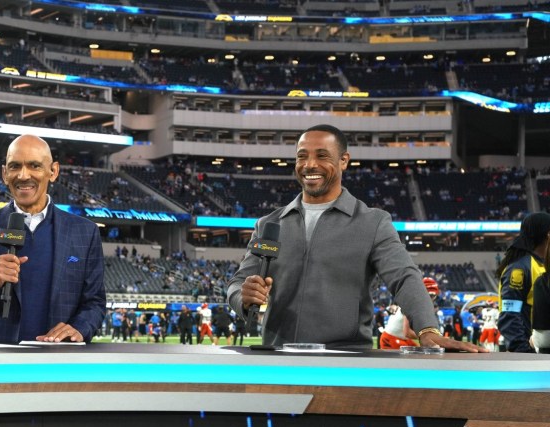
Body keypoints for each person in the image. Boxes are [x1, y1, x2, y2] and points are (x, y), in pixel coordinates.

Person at [227, 124, 481, 352]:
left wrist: (427, 329)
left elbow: (404, 277)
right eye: (301, 156)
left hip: (345, 361)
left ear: (344, 161)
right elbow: (238, 283)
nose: (309, 164)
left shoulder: (372, 222)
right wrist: (244, 297)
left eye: (322, 156)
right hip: (277, 358)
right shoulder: (269, 224)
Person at [0, 134, 105, 343]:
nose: (23, 176)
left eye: (34, 165)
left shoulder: (85, 232)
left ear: (53, 171)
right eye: (15, 166)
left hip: (61, 361)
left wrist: (79, 327)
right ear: (5, 173)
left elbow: (95, 303)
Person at [495, 212, 550, 353]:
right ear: (547, 235)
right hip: (533, 353)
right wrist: (523, 350)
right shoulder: (519, 269)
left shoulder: (543, 265)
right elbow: (509, 314)